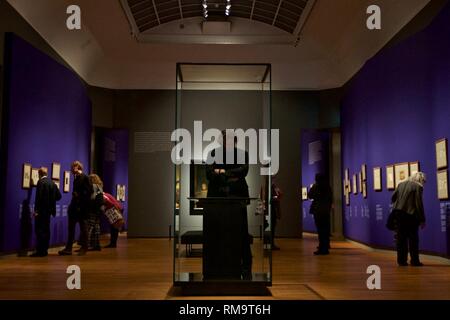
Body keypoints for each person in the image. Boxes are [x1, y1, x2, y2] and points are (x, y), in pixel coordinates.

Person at [206, 130, 252, 279]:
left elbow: (243, 171)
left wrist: (221, 171)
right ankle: (216, 267)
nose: (229, 142)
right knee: (217, 232)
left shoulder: (243, 154)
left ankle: (245, 266)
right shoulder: (213, 152)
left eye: (232, 139)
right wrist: (231, 175)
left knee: (241, 233)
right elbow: (208, 173)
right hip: (218, 197)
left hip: (237, 198)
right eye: (226, 139)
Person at [391, 172, 426, 266]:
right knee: (413, 239)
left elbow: (393, 197)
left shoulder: (400, 184)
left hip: (398, 214)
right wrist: (422, 219)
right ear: (420, 180)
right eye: (423, 181)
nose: (424, 183)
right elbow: (419, 204)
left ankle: (401, 261)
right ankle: (415, 261)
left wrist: (401, 202)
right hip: (411, 216)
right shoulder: (418, 187)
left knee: (401, 239)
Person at [59, 161, 93, 256]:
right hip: (74, 207)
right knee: (71, 228)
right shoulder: (76, 178)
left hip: (81, 208)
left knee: (83, 228)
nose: (71, 169)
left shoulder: (85, 177)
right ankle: (69, 248)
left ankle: (84, 248)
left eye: (72, 167)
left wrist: (79, 196)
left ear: (77, 167)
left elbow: (89, 192)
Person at [30, 167, 61, 257]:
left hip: (41, 211)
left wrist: (36, 210)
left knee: (39, 230)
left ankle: (40, 251)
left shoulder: (40, 182)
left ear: (39, 174)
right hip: (49, 211)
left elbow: (38, 198)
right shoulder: (52, 183)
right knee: (46, 230)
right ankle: (45, 250)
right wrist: (51, 201)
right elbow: (59, 196)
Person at [308, 173, 332, 255]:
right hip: (325, 211)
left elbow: (310, 195)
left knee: (320, 230)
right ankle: (325, 246)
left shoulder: (316, 186)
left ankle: (322, 248)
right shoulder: (327, 187)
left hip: (318, 211)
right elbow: (330, 198)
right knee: (325, 230)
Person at [88, 174, 104, 251]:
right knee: (96, 227)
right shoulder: (100, 187)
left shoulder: (93, 186)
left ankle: (86, 245)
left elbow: (92, 197)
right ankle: (96, 244)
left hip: (92, 209)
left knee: (89, 227)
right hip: (99, 210)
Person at [271, 177, 282, 250]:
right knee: (271, 227)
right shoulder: (272, 187)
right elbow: (274, 196)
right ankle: (270, 244)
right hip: (271, 209)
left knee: (272, 227)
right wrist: (276, 197)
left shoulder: (273, 186)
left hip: (272, 209)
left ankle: (270, 244)